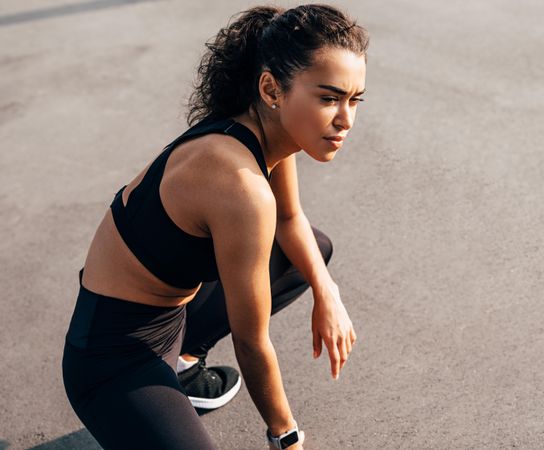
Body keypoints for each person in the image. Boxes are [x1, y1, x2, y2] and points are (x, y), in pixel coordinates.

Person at [60, 3, 369, 449]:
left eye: (353, 100)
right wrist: (286, 437)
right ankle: (151, 389)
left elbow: (290, 218)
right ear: (271, 88)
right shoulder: (238, 183)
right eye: (328, 98)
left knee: (310, 252)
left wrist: (329, 292)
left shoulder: (268, 133)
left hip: (173, 317)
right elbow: (251, 341)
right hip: (113, 356)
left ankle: (183, 363)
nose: (345, 119)